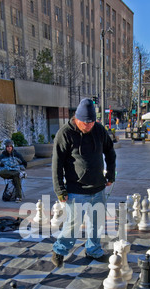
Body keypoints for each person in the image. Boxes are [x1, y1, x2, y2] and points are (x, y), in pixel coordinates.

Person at [51, 98, 116, 268]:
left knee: (97, 223)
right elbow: (56, 164)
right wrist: (60, 189)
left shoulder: (99, 130)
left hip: (98, 188)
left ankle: (93, 250)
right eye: (85, 123)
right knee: (72, 224)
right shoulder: (64, 133)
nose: (89, 126)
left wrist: (110, 174)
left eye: (92, 122)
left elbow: (110, 151)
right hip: (76, 189)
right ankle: (59, 250)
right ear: (76, 118)